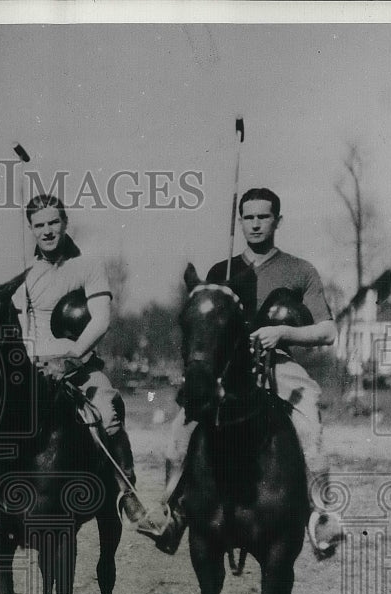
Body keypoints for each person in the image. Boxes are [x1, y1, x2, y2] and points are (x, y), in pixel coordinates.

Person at [148, 187, 345, 557]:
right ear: (240, 221)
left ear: (277, 221)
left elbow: (328, 330)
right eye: (248, 217)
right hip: (229, 369)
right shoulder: (220, 271)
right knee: (181, 429)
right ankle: (170, 513)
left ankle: (321, 514)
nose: (255, 224)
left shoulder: (300, 270)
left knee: (310, 425)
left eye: (263, 216)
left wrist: (283, 333)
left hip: (279, 365)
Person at [11, 194, 148, 526]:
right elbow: (20, 326)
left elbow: (100, 320)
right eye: (39, 225)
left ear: (65, 223)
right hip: (36, 367)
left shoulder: (87, 266)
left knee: (107, 411)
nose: (47, 231)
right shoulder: (25, 274)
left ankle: (126, 491)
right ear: (31, 228)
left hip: (80, 366)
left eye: (53, 222)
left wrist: (72, 357)